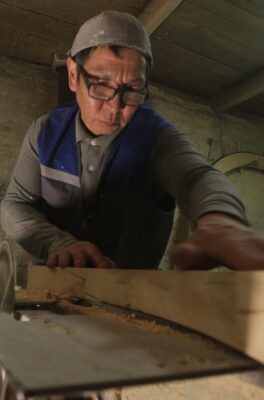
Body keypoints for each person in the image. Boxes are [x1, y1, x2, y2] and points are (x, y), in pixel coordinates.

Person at [1, 11, 264, 270]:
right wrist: (56, 243)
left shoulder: (158, 138)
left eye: (133, 90)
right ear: (72, 74)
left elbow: (197, 177)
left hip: (130, 298)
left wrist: (221, 216)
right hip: (54, 286)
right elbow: (15, 204)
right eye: (101, 85)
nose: (115, 108)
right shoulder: (44, 131)